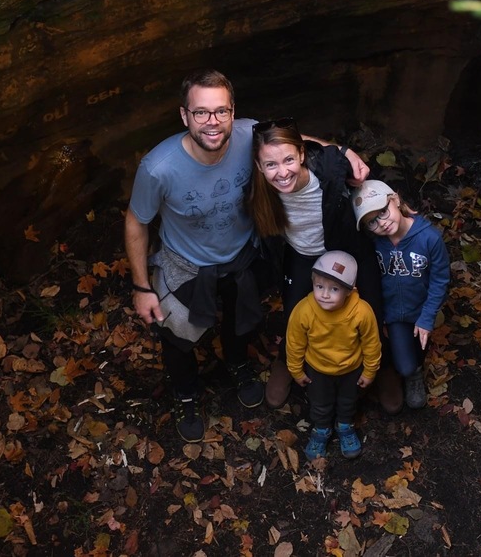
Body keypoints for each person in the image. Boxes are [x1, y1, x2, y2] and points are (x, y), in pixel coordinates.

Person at [125, 70, 369, 442]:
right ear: (184, 115)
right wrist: (142, 286)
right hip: (186, 262)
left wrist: (344, 151)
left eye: (221, 111)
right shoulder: (159, 168)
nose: (212, 122)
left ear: (233, 112)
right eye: (201, 112)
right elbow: (136, 222)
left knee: (240, 317)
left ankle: (237, 363)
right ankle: (186, 393)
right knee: (176, 334)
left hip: (242, 253)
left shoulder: (246, 135)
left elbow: (295, 141)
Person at [248, 119, 402, 412]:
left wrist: (346, 152)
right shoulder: (260, 192)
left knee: (370, 308)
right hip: (301, 254)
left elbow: (369, 188)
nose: (282, 172)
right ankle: (287, 360)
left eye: (289, 160)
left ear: (302, 154)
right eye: (270, 165)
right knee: (294, 312)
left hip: (347, 249)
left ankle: (381, 364)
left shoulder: (331, 168)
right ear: (258, 166)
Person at [352, 180, 451, 409]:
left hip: (421, 310)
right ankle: (410, 372)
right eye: (372, 222)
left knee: (419, 347)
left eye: (383, 212)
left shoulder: (430, 238)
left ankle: (416, 372)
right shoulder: (375, 243)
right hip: (394, 315)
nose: (382, 223)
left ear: (395, 200)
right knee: (404, 365)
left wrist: (427, 317)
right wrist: (381, 316)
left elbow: (440, 280)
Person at [285, 251, 381, 460]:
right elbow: (294, 343)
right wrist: (296, 370)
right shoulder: (304, 310)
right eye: (319, 286)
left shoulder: (362, 312)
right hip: (318, 369)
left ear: (349, 290)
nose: (325, 295)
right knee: (320, 402)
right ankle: (321, 429)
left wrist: (369, 371)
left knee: (348, 400)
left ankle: (345, 425)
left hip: (351, 368)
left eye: (334, 289)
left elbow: (371, 343)